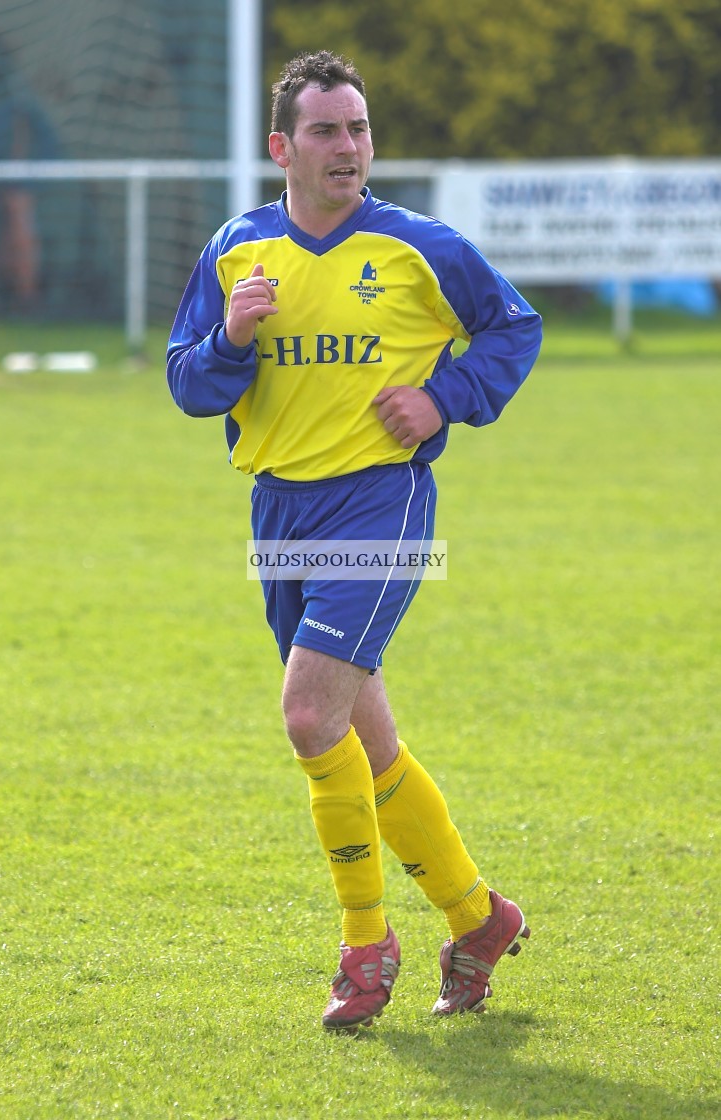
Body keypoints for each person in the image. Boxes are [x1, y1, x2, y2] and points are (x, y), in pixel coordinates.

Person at [167, 50, 542, 1033]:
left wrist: (444, 397)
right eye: (328, 130)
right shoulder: (238, 249)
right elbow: (188, 384)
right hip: (278, 513)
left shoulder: (418, 248)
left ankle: (365, 945)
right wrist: (231, 342)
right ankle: (477, 915)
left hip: (379, 504)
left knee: (305, 716)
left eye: (360, 128)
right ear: (281, 147)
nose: (349, 147)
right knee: (359, 736)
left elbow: (514, 328)